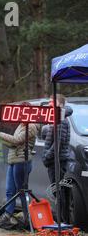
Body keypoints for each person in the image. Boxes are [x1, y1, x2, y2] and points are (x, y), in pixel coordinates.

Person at [0, 107, 38, 229]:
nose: (21, 114)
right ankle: (7, 217)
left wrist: (1, 134)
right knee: (9, 190)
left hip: (22, 162)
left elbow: (17, 140)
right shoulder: (20, 125)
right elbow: (12, 143)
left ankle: (28, 219)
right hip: (13, 161)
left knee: (21, 191)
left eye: (23, 111)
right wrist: (1, 139)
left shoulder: (31, 126)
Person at [42, 94, 72, 223]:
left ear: (59, 104)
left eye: (51, 102)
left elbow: (57, 144)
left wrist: (46, 157)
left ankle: (62, 223)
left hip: (57, 161)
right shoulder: (54, 119)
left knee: (59, 192)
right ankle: (62, 221)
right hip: (54, 160)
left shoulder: (61, 120)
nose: (48, 104)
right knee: (59, 192)